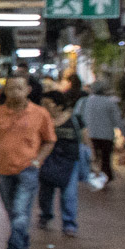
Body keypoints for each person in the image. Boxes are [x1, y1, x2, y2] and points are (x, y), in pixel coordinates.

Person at [0, 71, 57, 249]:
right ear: (5, 91)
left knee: (20, 211)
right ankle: (23, 242)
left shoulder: (39, 113)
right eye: (10, 88)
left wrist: (37, 161)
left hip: (27, 169)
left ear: (28, 90)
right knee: (13, 213)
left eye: (19, 88)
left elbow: (50, 141)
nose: (14, 92)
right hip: (2, 170)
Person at [36, 91, 88, 236]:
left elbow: (85, 138)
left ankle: (69, 223)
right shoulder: (41, 119)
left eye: (48, 104)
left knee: (69, 194)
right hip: (47, 159)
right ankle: (45, 215)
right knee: (45, 192)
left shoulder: (75, 119)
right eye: (43, 104)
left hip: (70, 161)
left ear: (59, 106)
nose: (44, 107)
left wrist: (93, 159)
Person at [77, 81, 123, 186]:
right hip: (106, 135)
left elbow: (77, 115)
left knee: (91, 156)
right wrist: (124, 132)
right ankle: (106, 176)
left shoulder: (85, 101)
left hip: (89, 134)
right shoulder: (110, 102)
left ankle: (91, 174)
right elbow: (117, 119)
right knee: (106, 158)